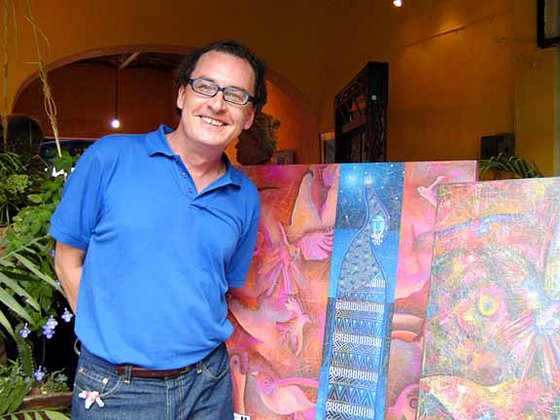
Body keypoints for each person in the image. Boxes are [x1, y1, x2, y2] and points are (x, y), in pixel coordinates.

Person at [50, 40, 266, 419]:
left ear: (248, 117)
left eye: (235, 95)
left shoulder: (244, 195)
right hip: (116, 388)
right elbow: (67, 259)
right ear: (182, 95)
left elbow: (222, 285)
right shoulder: (109, 158)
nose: (217, 104)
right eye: (205, 86)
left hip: (208, 383)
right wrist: (106, 335)